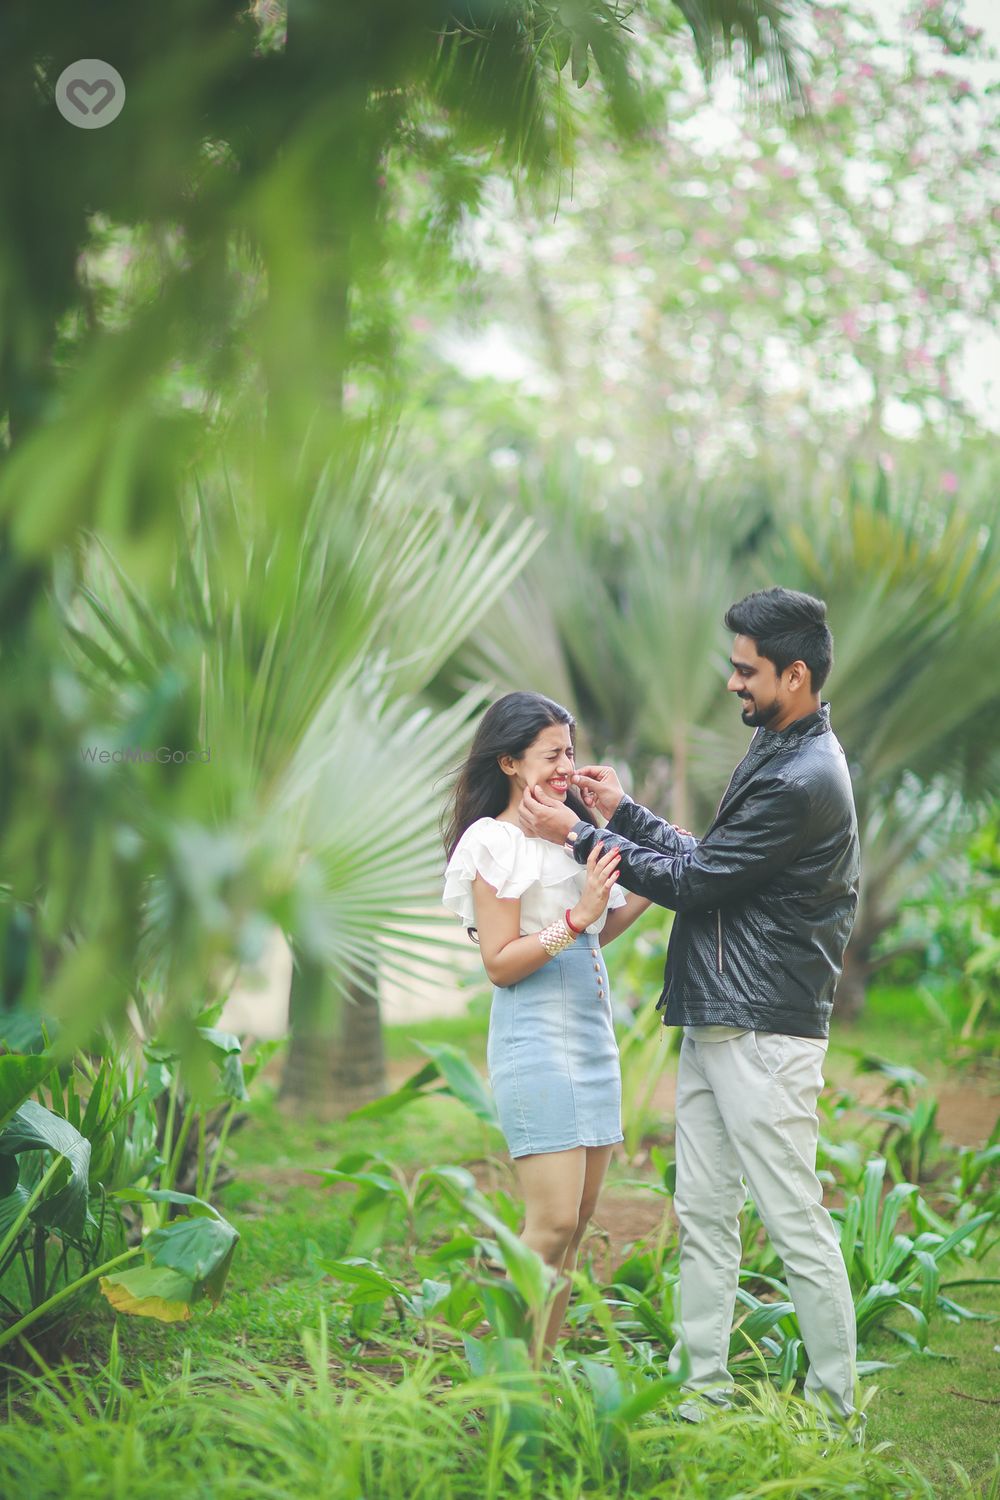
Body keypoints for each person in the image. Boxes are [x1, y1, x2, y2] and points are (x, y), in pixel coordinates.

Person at [517, 587, 864, 1436]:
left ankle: (834, 1419)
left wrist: (573, 833)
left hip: (762, 1032)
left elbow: (695, 883)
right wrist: (621, 814)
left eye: (746, 671)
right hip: (718, 1020)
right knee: (705, 1220)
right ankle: (703, 1395)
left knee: (794, 1223)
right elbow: (715, 860)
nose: (732, 683)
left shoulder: (804, 777)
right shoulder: (779, 749)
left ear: (796, 673)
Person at [442, 690, 654, 1356]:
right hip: (535, 1035)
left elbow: (603, 926)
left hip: (593, 1039)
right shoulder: (494, 842)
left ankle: (530, 1376)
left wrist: (645, 855)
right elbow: (502, 964)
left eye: (571, 750)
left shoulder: (570, 832)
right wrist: (576, 918)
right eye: (551, 754)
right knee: (552, 1221)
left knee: (576, 1225)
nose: (567, 765)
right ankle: (479, 1360)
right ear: (508, 762)